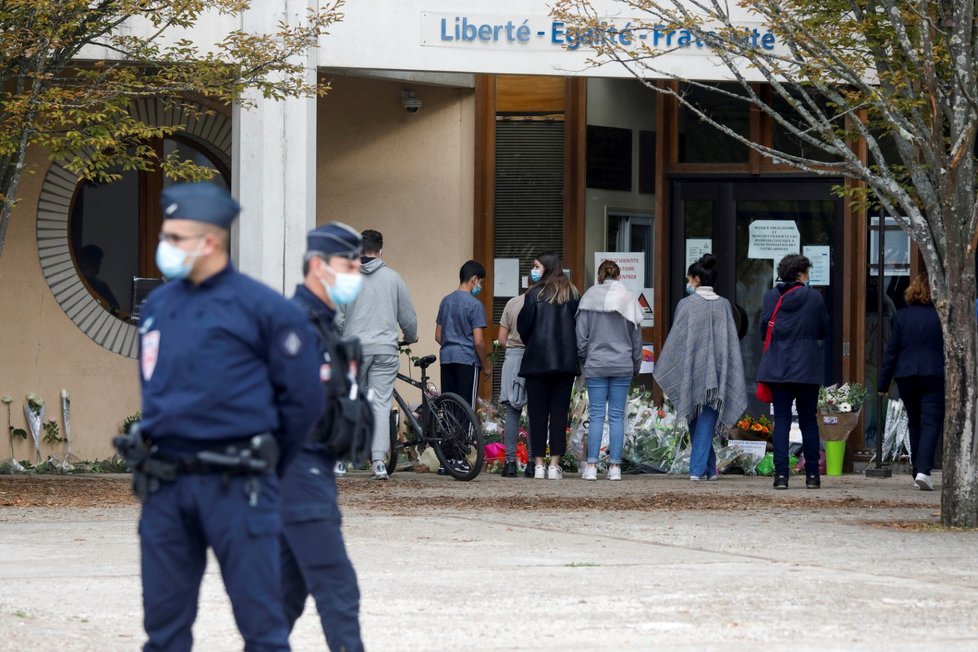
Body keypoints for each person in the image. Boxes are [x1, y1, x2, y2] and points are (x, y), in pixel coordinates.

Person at [136, 182, 324, 651]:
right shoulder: (157, 306)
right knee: (163, 629)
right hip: (165, 487)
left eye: (175, 238)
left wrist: (265, 461)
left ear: (210, 242)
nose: (165, 247)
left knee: (262, 627)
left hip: (238, 487)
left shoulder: (264, 310)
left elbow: (302, 402)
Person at [282, 223, 365, 650]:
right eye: (347, 264)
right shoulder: (293, 326)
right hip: (297, 473)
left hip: (311, 471)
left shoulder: (325, 327)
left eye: (358, 265)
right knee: (339, 589)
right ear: (318, 265)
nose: (355, 272)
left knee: (285, 597)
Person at [654, 254, 747, 482]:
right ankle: (710, 469)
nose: (687, 283)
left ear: (695, 279)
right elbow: (681, 339)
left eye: (688, 279)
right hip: (713, 371)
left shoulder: (686, 305)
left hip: (697, 372)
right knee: (698, 420)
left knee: (702, 420)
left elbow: (677, 341)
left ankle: (696, 470)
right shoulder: (724, 306)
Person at [337, 229, 418, 480]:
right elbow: (407, 318)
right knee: (380, 404)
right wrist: (411, 336)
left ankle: (340, 461)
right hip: (385, 349)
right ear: (380, 251)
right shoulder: (394, 279)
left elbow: (337, 318)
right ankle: (379, 462)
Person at [757, 253, 830, 490]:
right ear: (800, 274)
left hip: (779, 366)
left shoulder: (771, 297)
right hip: (807, 367)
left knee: (782, 421)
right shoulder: (814, 298)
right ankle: (812, 476)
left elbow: (762, 329)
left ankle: (781, 476)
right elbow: (823, 330)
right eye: (807, 272)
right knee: (809, 421)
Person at [576, 260, 643, 481]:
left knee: (596, 415)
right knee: (616, 417)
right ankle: (615, 467)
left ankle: (592, 467)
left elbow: (581, 337)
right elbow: (636, 339)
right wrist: (636, 364)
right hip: (622, 364)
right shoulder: (628, 298)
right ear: (619, 275)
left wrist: (585, 358)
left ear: (599, 275)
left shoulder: (589, 297)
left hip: (596, 363)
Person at [878, 274, 944, 491]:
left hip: (906, 376)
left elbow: (891, 351)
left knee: (914, 422)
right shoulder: (941, 316)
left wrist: (883, 384)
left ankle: (918, 470)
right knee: (931, 422)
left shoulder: (902, 316)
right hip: (934, 374)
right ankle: (924, 470)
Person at [517, 252, 580, 480]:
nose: (533, 270)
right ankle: (555, 464)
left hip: (537, 362)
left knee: (537, 413)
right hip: (565, 363)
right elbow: (578, 327)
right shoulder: (572, 293)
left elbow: (523, 326)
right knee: (559, 413)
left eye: (536, 266)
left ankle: (539, 464)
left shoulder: (534, 294)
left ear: (546, 268)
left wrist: (533, 343)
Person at [436, 259, 491, 408]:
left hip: (446, 358)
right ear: (474, 279)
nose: (480, 286)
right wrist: (486, 366)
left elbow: (438, 336)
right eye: (480, 282)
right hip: (467, 360)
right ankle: (465, 433)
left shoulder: (445, 301)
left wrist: (452, 343)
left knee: (450, 405)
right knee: (466, 408)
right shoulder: (475, 305)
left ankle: (449, 432)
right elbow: (478, 341)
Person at [497, 289, 528, 478]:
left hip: (513, 357)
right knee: (536, 411)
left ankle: (509, 463)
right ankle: (534, 462)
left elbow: (501, 338)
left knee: (511, 409)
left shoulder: (512, 303)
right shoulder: (544, 301)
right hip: (536, 357)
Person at [78, 243, 120, 311]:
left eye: (98, 264)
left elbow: (115, 311)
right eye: (91, 265)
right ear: (82, 263)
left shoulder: (101, 287)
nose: (96, 269)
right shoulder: (74, 285)